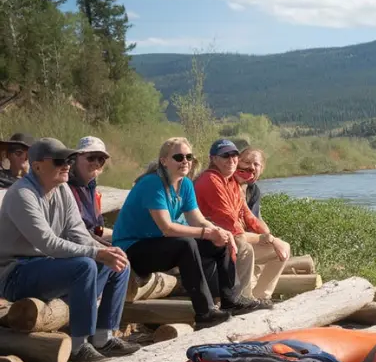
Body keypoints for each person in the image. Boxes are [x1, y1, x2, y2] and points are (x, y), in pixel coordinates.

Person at [0, 138, 141, 362]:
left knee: (118, 262)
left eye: (69, 159)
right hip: (16, 274)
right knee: (84, 265)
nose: (66, 165)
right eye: (59, 161)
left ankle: (103, 338)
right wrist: (95, 254)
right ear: (37, 166)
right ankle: (78, 346)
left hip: (48, 267)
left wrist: (105, 250)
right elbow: (48, 243)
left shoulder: (62, 188)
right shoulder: (22, 194)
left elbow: (77, 232)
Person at [111, 137, 255, 329]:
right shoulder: (152, 183)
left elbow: (197, 218)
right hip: (132, 249)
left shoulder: (185, 184)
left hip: (159, 244)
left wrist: (219, 231)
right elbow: (167, 228)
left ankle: (231, 300)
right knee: (187, 244)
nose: (185, 161)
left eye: (189, 157)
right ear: (164, 161)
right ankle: (205, 312)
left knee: (219, 241)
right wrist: (207, 233)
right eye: (178, 157)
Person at [194, 140, 288, 305]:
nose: (231, 159)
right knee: (244, 248)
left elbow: (249, 215)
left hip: (231, 236)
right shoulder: (211, 180)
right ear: (214, 159)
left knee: (282, 248)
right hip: (209, 240)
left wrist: (270, 236)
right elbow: (231, 224)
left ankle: (259, 297)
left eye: (234, 155)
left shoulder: (232, 182)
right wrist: (269, 239)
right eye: (225, 155)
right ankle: (242, 300)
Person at [68, 136, 113, 246]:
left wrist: (115, 234)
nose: (97, 163)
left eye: (101, 160)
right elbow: (76, 231)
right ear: (76, 159)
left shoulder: (91, 187)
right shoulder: (67, 188)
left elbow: (96, 228)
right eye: (91, 158)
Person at [234, 147, 265, 218]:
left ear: (261, 169)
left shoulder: (254, 190)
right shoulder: (224, 183)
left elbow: (256, 219)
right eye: (247, 162)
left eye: (256, 164)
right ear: (237, 164)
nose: (252, 167)